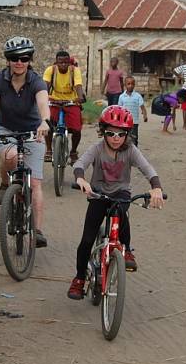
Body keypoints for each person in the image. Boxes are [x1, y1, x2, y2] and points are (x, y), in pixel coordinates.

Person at [68, 105, 164, 299]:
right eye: (110, 133)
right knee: (87, 240)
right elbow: (80, 163)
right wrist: (80, 178)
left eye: (121, 134)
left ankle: (127, 250)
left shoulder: (131, 150)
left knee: (121, 211)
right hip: (98, 195)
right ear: (103, 132)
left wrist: (156, 188)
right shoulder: (97, 149)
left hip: (120, 193)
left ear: (127, 134)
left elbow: (148, 169)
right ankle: (79, 279)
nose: (115, 138)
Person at [0, 36, 50, 248]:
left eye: (24, 58)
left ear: (30, 60)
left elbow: (43, 104)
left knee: (36, 182)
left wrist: (45, 122)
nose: (19, 62)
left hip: (33, 131)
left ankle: (36, 230)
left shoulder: (36, 80)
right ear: (8, 60)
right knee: (10, 157)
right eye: (14, 58)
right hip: (6, 129)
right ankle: (5, 184)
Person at [43, 50, 85, 165]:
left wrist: (80, 97)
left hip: (71, 101)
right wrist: (43, 97)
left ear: (69, 63)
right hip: (54, 100)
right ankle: (49, 149)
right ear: (56, 62)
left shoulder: (74, 71)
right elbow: (45, 86)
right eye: (60, 62)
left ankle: (73, 152)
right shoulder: (50, 70)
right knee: (48, 123)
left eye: (66, 62)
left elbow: (78, 85)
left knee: (77, 128)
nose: (63, 65)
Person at [117, 76, 147, 146]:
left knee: (134, 139)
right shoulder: (121, 97)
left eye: (132, 84)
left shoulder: (137, 96)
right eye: (129, 84)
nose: (130, 85)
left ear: (134, 85)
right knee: (124, 137)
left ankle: (134, 153)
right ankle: (125, 152)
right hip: (124, 122)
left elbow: (142, 106)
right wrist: (118, 120)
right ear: (125, 85)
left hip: (134, 122)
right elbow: (119, 109)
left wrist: (145, 115)